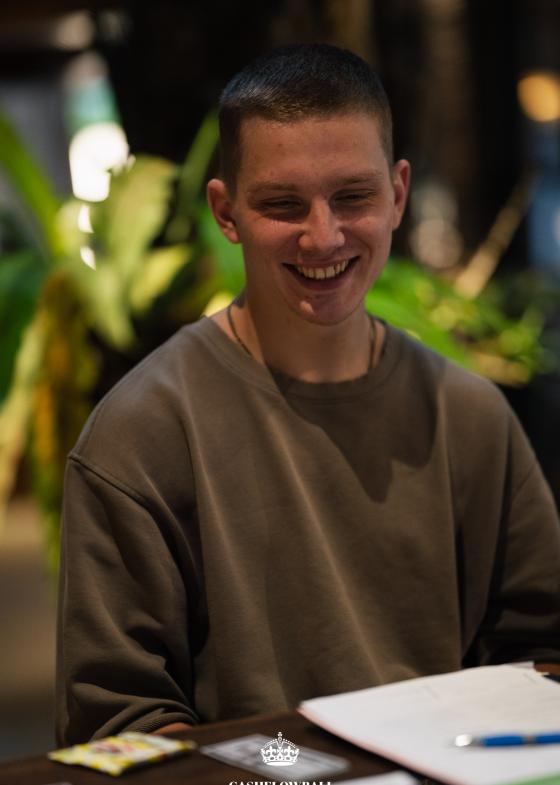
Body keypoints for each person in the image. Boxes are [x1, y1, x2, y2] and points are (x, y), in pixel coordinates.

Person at [56, 44, 560, 747]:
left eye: (352, 197)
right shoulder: (141, 433)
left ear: (398, 195)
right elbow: (122, 721)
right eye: (282, 204)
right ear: (226, 212)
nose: (322, 237)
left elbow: (540, 655)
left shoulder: (469, 414)